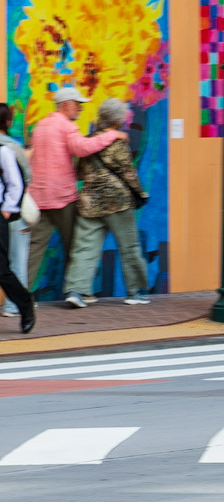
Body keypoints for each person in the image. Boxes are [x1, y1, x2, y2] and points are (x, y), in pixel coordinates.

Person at [26, 86, 127, 299]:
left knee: (35, 248)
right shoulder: (66, 126)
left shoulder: (40, 126)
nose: (80, 109)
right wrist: (112, 134)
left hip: (39, 198)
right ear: (65, 105)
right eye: (77, 104)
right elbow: (82, 148)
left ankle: (22, 297)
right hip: (62, 197)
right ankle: (79, 291)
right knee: (75, 245)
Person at [66, 98, 151, 308]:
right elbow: (127, 171)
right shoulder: (117, 142)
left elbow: (81, 172)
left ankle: (76, 291)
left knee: (84, 248)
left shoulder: (89, 141)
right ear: (118, 119)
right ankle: (136, 292)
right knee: (129, 246)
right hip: (117, 202)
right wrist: (141, 193)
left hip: (89, 202)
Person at [0, 104, 35, 331]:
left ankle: (25, 305)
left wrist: (6, 210)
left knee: (2, 269)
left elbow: (16, 183)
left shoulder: (4, 150)